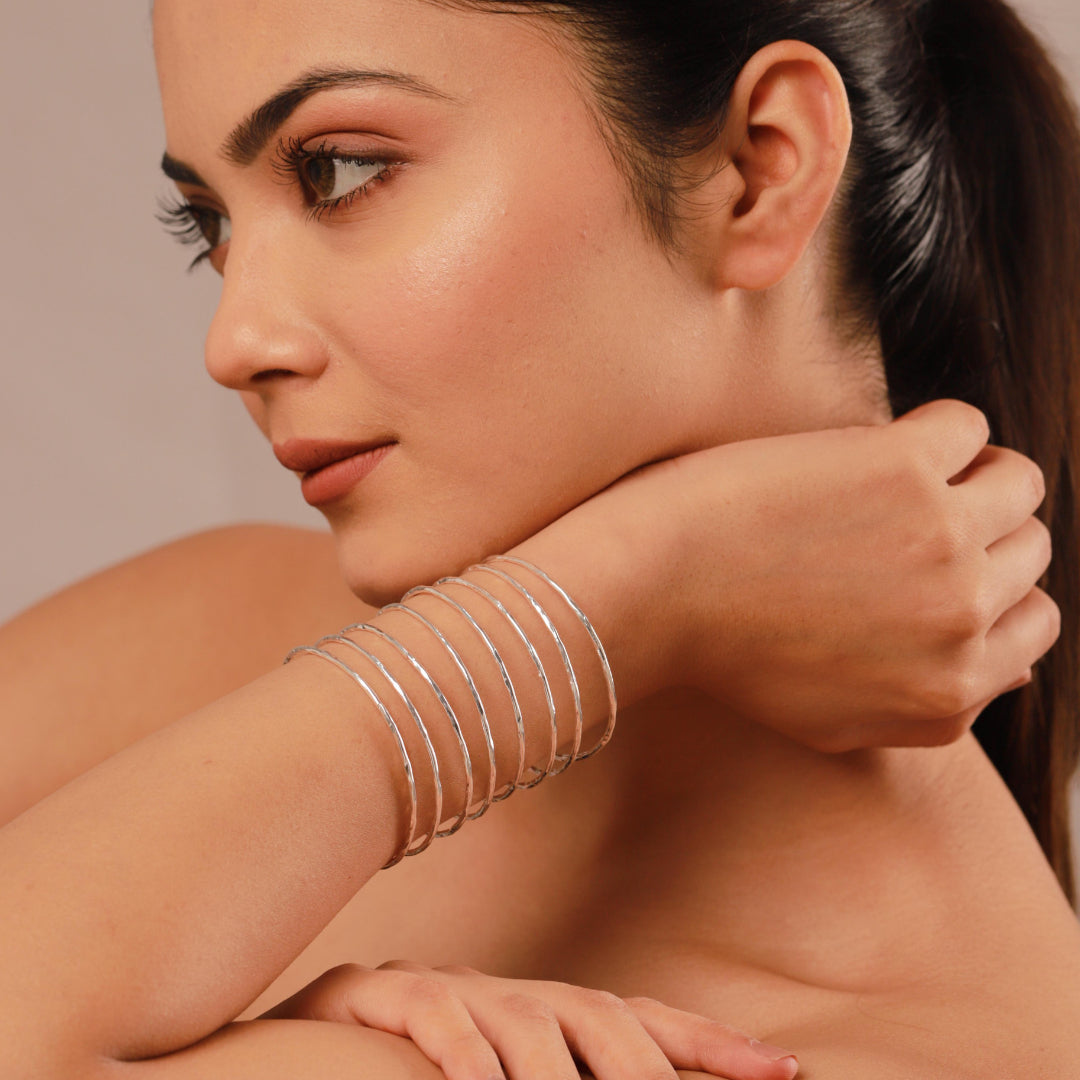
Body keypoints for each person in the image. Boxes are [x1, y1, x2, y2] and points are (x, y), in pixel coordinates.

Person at [1, 0, 1077, 1077]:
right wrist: (623, 595)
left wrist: (633, 590)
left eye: (339, 170)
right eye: (211, 225)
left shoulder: (882, 1053)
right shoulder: (201, 628)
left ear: (760, 169)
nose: (235, 343)